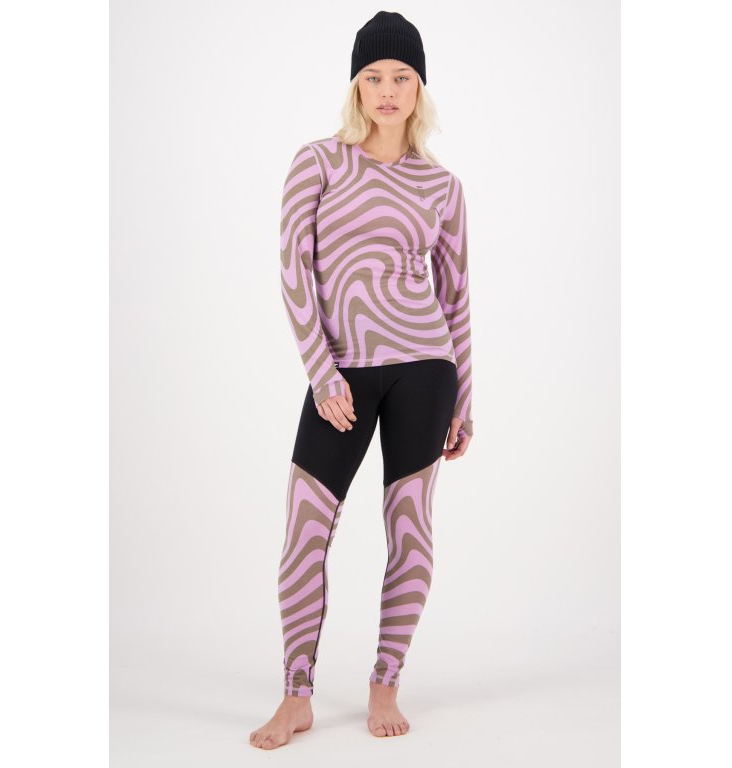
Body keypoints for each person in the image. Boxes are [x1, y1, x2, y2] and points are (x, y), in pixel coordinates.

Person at [250, 10, 475, 749]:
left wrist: (464, 398)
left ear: (419, 89)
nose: (386, 90)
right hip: (341, 373)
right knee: (304, 532)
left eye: (401, 77)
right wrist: (322, 374)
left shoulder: (442, 187)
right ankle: (296, 695)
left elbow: (455, 296)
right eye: (373, 76)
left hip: (425, 369)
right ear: (355, 86)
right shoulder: (318, 162)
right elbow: (294, 271)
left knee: (409, 530)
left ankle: (386, 681)